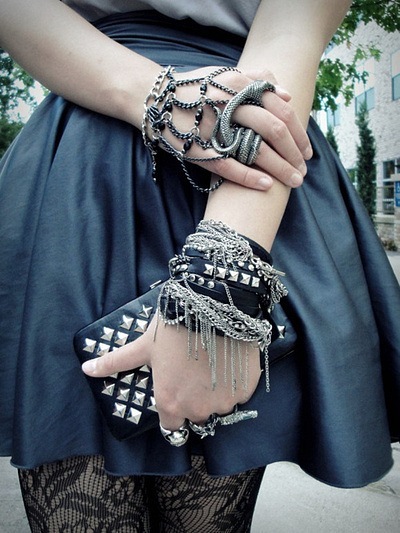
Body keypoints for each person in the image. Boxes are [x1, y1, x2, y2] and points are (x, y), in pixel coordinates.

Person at [0, 1, 399, 531]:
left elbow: (294, 30)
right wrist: (158, 97)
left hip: (248, 169)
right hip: (85, 171)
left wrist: (220, 279)